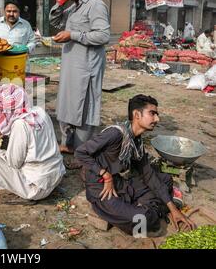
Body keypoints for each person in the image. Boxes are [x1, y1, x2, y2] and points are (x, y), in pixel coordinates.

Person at [75, 95, 196, 236]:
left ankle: (151, 208)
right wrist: (105, 174)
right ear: (137, 115)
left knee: (165, 180)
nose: (157, 119)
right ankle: (151, 210)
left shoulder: (136, 141)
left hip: (120, 183)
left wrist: (174, 209)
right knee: (142, 220)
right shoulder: (115, 134)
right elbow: (80, 152)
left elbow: (148, 175)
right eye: (152, 113)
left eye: (157, 114)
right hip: (102, 188)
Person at [49, 0, 110, 165]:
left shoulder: (95, 5)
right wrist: (59, 3)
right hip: (70, 65)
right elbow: (55, 21)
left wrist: (72, 35)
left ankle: (83, 151)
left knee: (84, 108)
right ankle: (67, 143)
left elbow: (103, 36)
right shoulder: (74, 7)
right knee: (67, 104)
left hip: (86, 67)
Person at [0, 84, 66, 203]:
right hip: (56, 177)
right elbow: (33, 135)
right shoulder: (39, 112)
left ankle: (12, 189)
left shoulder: (20, 125)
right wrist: (6, 133)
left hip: (36, 188)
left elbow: (14, 163)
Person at [0, 0, 36, 72]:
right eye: (8, 11)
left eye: (14, 11)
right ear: (4, 11)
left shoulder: (26, 25)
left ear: (19, 12)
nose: (11, 14)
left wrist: (27, 49)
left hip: (19, 65)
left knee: (18, 83)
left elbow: (33, 41)